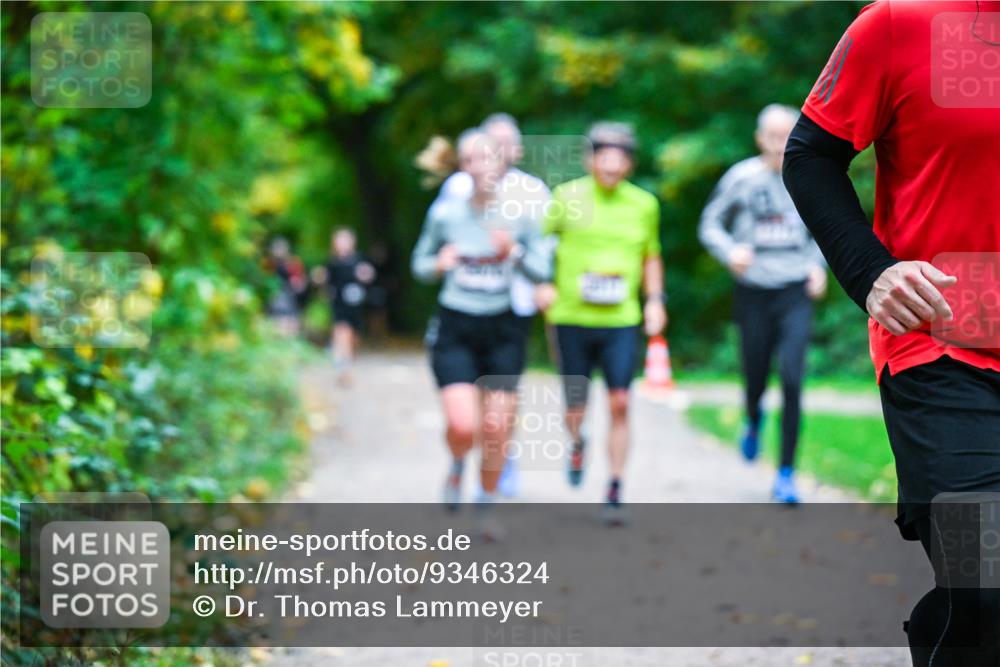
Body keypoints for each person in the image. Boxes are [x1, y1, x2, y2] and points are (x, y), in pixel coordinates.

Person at [782, 1, 999, 664]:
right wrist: (870, 272)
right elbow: (810, 156)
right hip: (942, 344)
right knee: (983, 577)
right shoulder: (900, 25)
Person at [411, 128, 550, 539]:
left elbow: (543, 271)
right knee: (463, 426)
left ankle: (486, 505)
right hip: (456, 325)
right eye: (472, 160)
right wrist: (439, 263)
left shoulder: (522, 213)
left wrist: (515, 254)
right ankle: (457, 465)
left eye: (489, 158)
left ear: (503, 162)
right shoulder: (446, 214)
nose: (482, 167)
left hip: (503, 328)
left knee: (496, 427)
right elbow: (418, 265)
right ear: (463, 166)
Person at [535, 122, 667, 524]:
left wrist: (655, 300)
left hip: (621, 319)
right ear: (589, 158)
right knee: (575, 404)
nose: (611, 164)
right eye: (603, 156)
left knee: (620, 402)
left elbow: (651, 256)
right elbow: (539, 243)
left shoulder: (644, 204)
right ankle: (578, 441)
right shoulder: (566, 197)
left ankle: (614, 488)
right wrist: (541, 283)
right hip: (570, 316)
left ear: (629, 163)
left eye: (620, 157)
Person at [698, 104, 828, 505]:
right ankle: (753, 417)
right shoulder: (741, 178)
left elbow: (828, 226)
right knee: (755, 374)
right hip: (754, 290)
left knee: (792, 379)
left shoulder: (810, 176)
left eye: (785, 136)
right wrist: (730, 251)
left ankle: (786, 473)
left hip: (794, 290)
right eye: (771, 136)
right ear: (759, 139)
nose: (778, 144)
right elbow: (709, 224)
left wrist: (818, 266)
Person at [321, 227, 376, 385]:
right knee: (342, 333)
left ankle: (347, 363)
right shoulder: (331, 262)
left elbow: (369, 275)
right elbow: (325, 281)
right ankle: (344, 370)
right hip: (338, 304)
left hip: (355, 306)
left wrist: (366, 274)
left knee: (353, 339)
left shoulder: (359, 259)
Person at [264, 236, 308, 337]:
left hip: (290, 298)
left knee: (291, 325)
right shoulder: (269, 263)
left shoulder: (293, 262)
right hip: (275, 298)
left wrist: (297, 283)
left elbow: (301, 283)